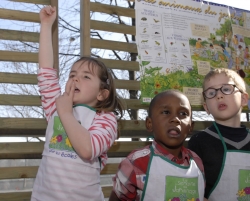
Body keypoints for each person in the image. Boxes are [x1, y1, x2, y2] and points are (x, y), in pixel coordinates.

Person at [31, 6, 123, 201]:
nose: (76, 79)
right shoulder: (56, 105)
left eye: (86, 76)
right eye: (72, 75)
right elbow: (46, 71)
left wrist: (65, 113)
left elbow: (87, 149)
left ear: (102, 93)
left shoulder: (106, 119)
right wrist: (46, 25)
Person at [109, 90, 206, 201]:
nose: (175, 119)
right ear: (150, 124)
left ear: (191, 126)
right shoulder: (135, 163)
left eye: (183, 113)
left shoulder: (197, 162)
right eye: (166, 112)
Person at [188, 68, 250, 201]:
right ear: (206, 108)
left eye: (226, 89)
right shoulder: (199, 142)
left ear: (244, 99)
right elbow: (192, 190)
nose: (219, 95)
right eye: (211, 92)